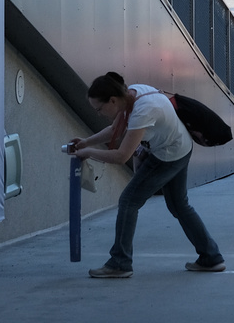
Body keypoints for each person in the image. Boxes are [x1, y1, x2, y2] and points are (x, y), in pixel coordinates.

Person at [69, 72, 225, 278]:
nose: (99, 113)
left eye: (99, 108)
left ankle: (120, 263)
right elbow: (113, 130)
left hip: (167, 155)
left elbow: (121, 156)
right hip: (180, 148)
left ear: (113, 100)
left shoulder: (143, 111)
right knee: (179, 205)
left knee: (128, 201)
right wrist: (86, 142)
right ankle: (211, 257)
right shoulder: (132, 93)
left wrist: (88, 153)